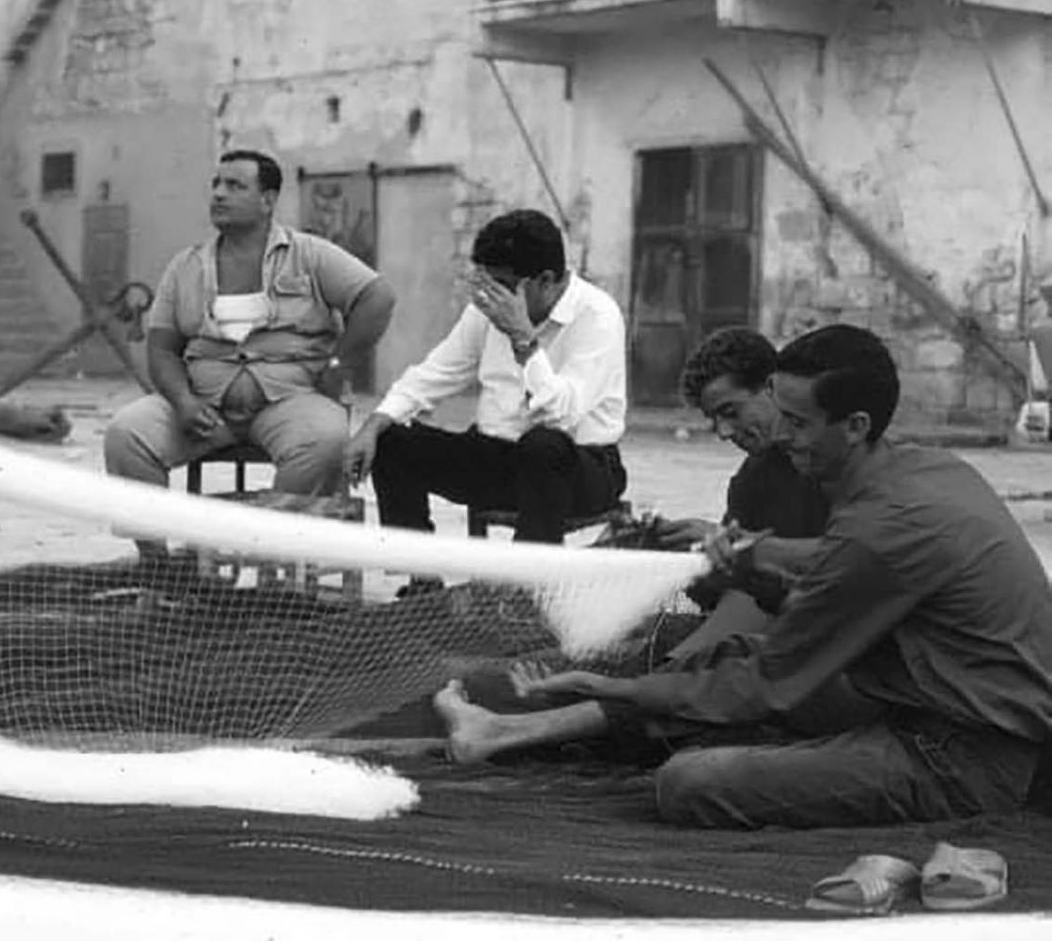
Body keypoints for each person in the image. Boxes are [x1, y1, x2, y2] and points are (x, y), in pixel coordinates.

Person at [435, 324, 1052, 829]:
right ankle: (505, 730)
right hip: (918, 699)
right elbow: (821, 597)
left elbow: (768, 679)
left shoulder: (884, 523)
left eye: (799, 423)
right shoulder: (927, 471)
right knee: (719, 659)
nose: (783, 435)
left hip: (965, 756)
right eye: (781, 414)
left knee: (690, 781)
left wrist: (618, 688)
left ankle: (521, 728)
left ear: (856, 426)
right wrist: (750, 574)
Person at [103, 150, 395, 565]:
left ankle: (270, 556)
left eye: (235, 186)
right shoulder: (185, 267)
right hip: (204, 405)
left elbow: (378, 296)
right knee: (126, 433)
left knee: (326, 441)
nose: (219, 194)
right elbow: (162, 348)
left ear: (267, 200)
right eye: (216, 184)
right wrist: (183, 401)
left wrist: (338, 363)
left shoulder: (308, 254)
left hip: (290, 399)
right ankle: (157, 563)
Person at [342, 209, 627, 582]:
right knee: (391, 441)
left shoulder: (598, 316)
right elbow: (435, 373)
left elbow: (562, 414)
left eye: (503, 286)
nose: (490, 297)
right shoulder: (486, 310)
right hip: (499, 457)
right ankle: (422, 584)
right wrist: (375, 423)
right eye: (486, 283)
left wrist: (524, 340)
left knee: (543, 445)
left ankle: (523, 588)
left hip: (578, 469)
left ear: (545, 281)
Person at [651, 327, 829, 660]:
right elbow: (720, 588)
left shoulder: (836, 461)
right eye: (714, 420)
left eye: (731, 413)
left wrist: (746, 550)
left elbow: (858, 554)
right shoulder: (752, 478)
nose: (723, 432)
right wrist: (693, 557)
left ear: (771, 389)